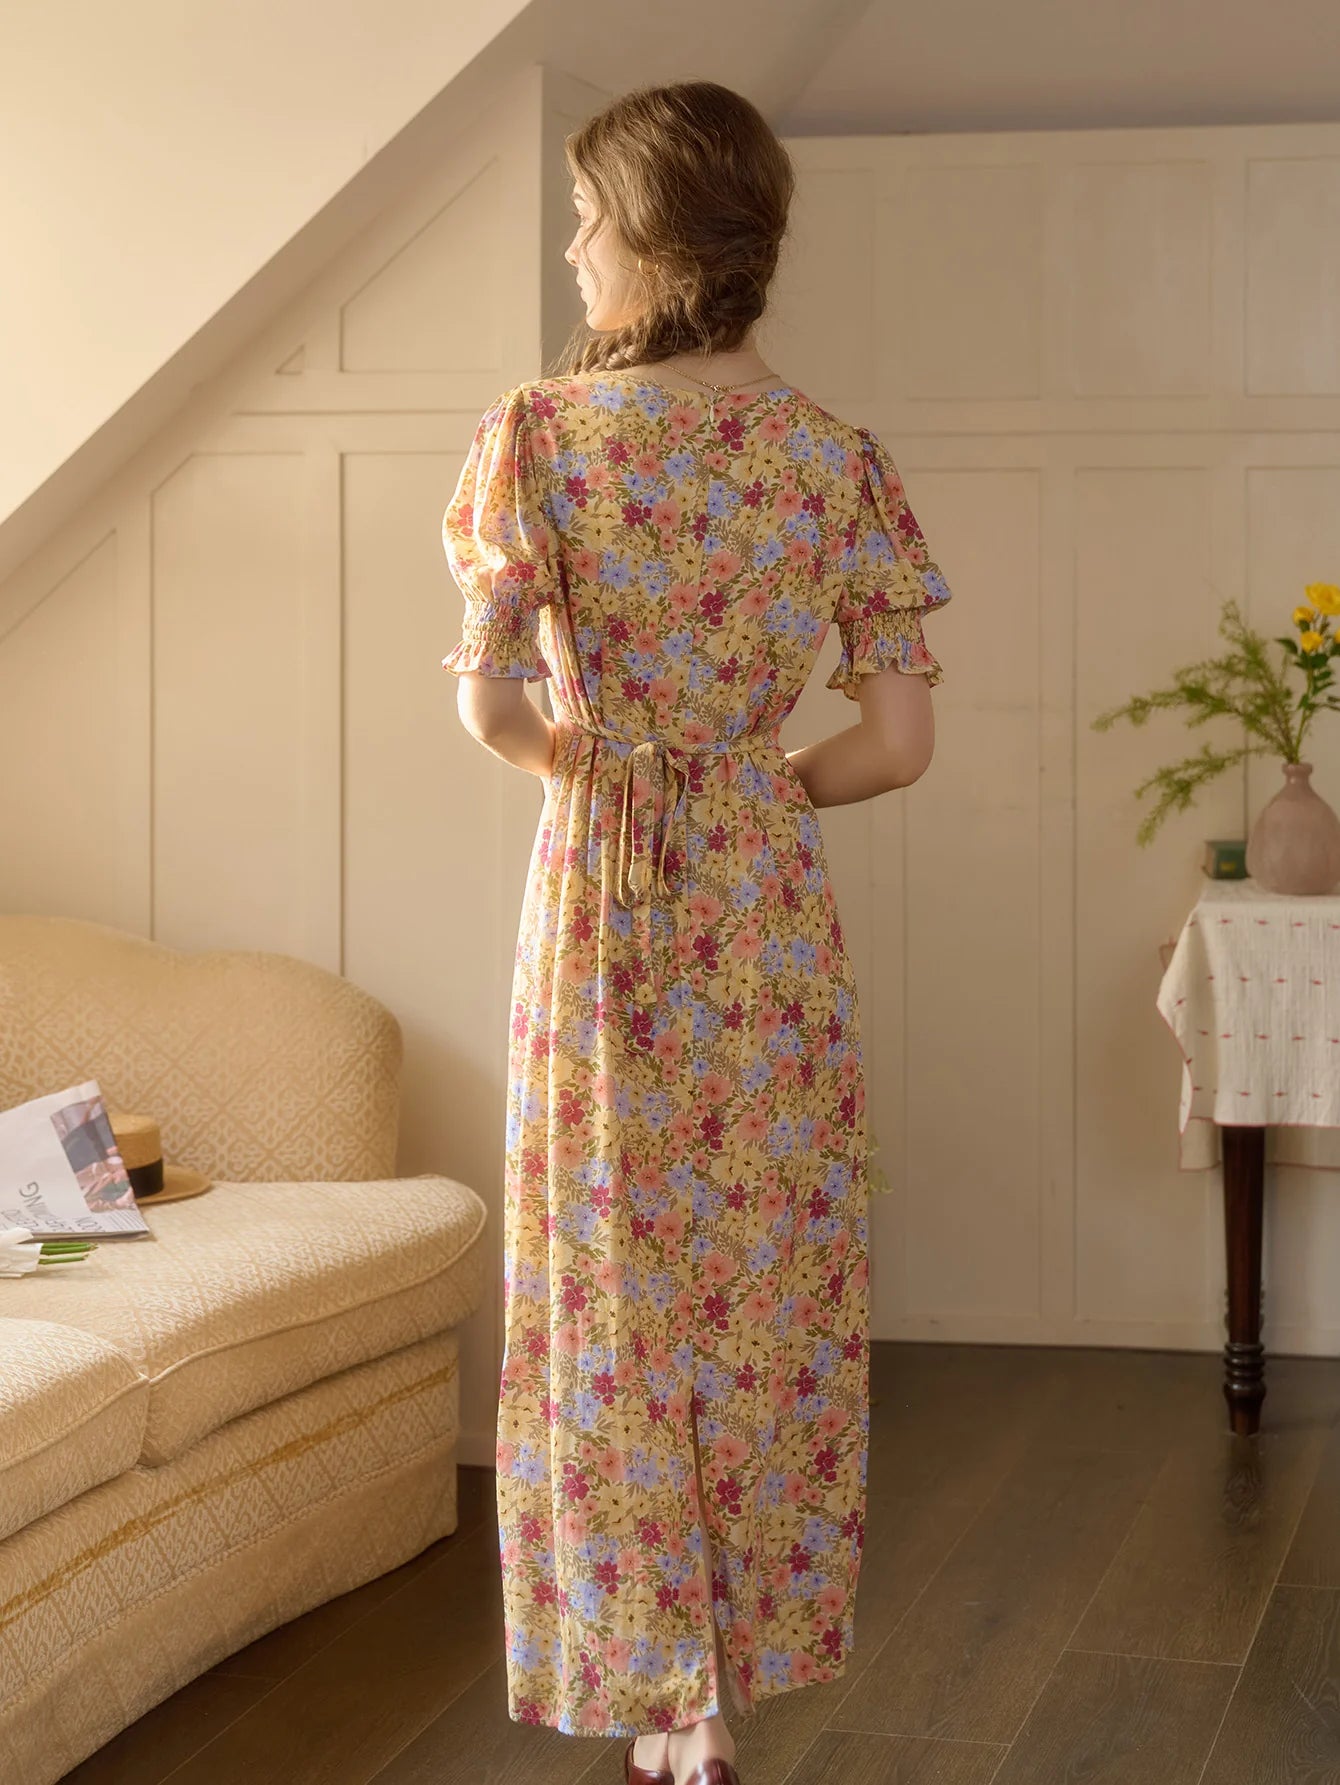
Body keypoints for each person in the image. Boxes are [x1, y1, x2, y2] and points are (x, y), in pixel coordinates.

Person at [439, 78, 952, 1785]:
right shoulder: (834, 459)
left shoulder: (541, 437)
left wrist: (598, 768)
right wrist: (751, 788)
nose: (572, 251)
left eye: (589, 220)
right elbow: (896, 742)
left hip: (602, 886)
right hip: (759, 902)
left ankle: (667, 1693)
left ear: (656, 243)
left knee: (605, 1267)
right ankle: (733, 1660)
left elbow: (493, 711)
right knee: (761, 1273)